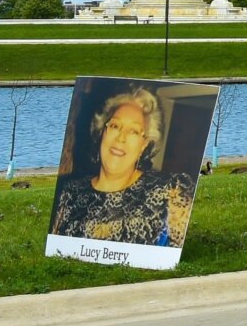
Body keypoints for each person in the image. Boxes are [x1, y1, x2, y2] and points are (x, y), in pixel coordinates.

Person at [51, 85, 197, 247]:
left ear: (144, 144)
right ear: (102, 132)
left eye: (134, 131)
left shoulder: (172, 190)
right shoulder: (70, 192)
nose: (121, 138)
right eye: (114, 126)